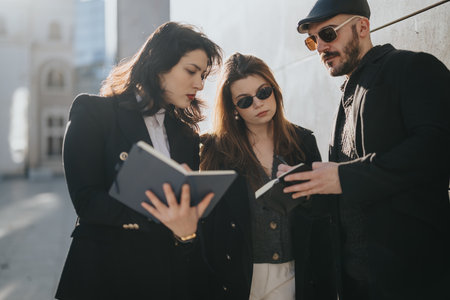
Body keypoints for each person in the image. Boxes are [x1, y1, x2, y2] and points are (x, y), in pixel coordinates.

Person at [280, 0, 450, 299]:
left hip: (415, 280)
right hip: (356, 284)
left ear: (362, 27)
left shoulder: (411, 67)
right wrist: (309, 187)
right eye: (313, 40)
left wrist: (345, 178)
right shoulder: (347, 94)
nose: (320, 46)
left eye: (328, 34)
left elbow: (437, 148)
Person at [55, 22, 222, 300]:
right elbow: (86, 201)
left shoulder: (186, 134)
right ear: (159, 64)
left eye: (203, 75)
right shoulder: (94, 113)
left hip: (164, 278)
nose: (200, 84)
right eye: (191, 71)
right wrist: (160, 212)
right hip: (104, 277)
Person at [196, 52, 323, 300]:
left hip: (296, 271)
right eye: (244, 101)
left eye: (263, 92)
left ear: (274, 90)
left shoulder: (303, 141)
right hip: (239, 277)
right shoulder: (215, 150)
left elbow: (322, 213)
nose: (258, 103)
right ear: (233, 109)